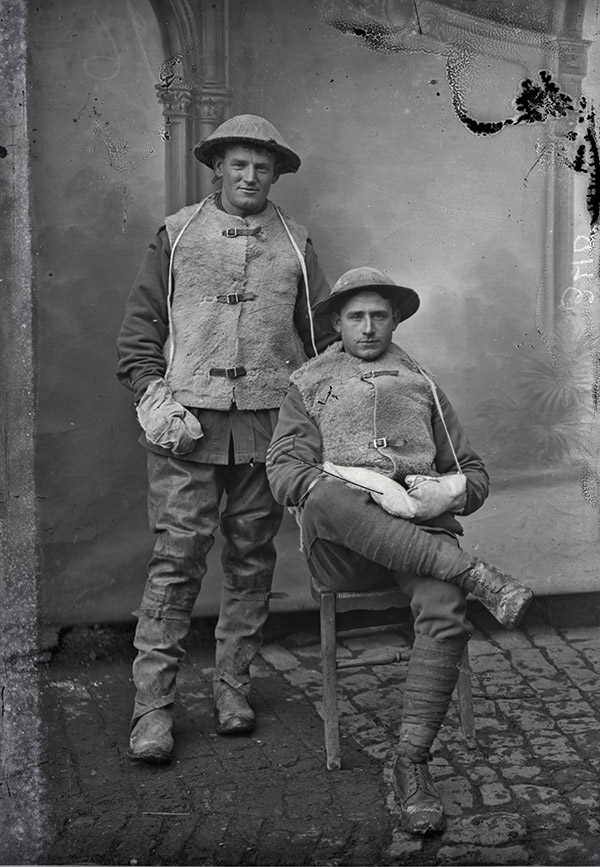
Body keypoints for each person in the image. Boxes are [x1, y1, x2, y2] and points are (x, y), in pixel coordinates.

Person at [266, 266, 534, 836]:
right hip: (344, 548)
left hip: (420, 540)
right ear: (336, 322)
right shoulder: (309, 382)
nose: (367, 327)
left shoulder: (421, 383)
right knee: (323, 494)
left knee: (444, 609)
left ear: (395, 320)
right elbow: (285, 472)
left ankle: (410, 762)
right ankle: (476, 574)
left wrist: (446, 489)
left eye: (379, 316)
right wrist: (359, 484)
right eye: (355, 316)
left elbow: (475, 474)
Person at [116, 114, 336, 763]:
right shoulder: (177, 234)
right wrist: (156, 399)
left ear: (275, 174)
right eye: (238, 165)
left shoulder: (295, 243)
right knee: (176, 560)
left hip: (268, 426)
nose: (249, 176)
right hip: (186, 428)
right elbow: (137, 334)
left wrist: (313, 413)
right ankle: (151, 708)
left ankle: (234, 685)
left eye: (261, 167)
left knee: (250, 559)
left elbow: (323, 342)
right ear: (218, 167)